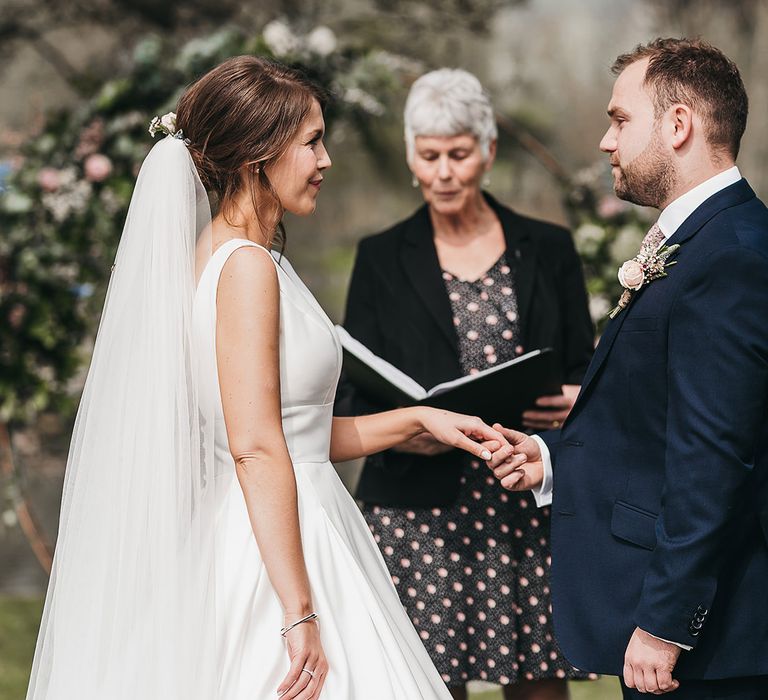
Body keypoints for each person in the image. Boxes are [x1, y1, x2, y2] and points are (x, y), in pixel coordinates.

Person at [25, 56, 511, 700]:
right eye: (312, 141)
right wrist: (300, 610)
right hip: (279, 545)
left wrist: (417, 420)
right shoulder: (246, 267)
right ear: (258, 157)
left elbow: (293, 434)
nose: (326, 160)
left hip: (281, 514)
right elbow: (256, 448)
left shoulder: (227, 257)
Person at [487, 38, 768, 699]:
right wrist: (550, 459)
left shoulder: (728, 256)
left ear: (678, 125)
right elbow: (658, 424)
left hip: (710, 646)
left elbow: (715, 457)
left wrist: (667, 623)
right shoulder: (704, 241)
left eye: (619, 119)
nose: (607, 142)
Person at [336, 68, 595, 700]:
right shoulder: (379, 256)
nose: (444, 173)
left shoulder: (550, 247)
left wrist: (578, 402)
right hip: (418, 512)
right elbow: (349, 396)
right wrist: (405, 435)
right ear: (409, 156)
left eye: (459, 154)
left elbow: (586, 373)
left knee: (540, 685)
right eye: (429, 156)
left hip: (524, 501)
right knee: (423, 685)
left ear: (488, 152)